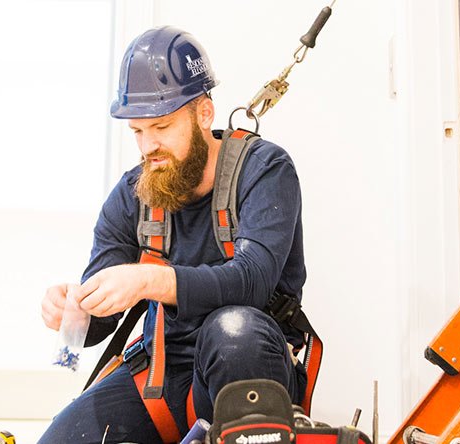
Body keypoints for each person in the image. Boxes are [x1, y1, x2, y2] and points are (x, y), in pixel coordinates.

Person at [38, 26, 307, 444]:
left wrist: (150, 280)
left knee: (235, 332)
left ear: (203, 113)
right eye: (138, 132)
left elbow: (252, 282)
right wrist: (75, 312)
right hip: (159, 378)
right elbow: (100, 323)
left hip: (246, 361)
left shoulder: (265, 170)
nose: (148, 146)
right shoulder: (132, 196)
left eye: (161, 126)